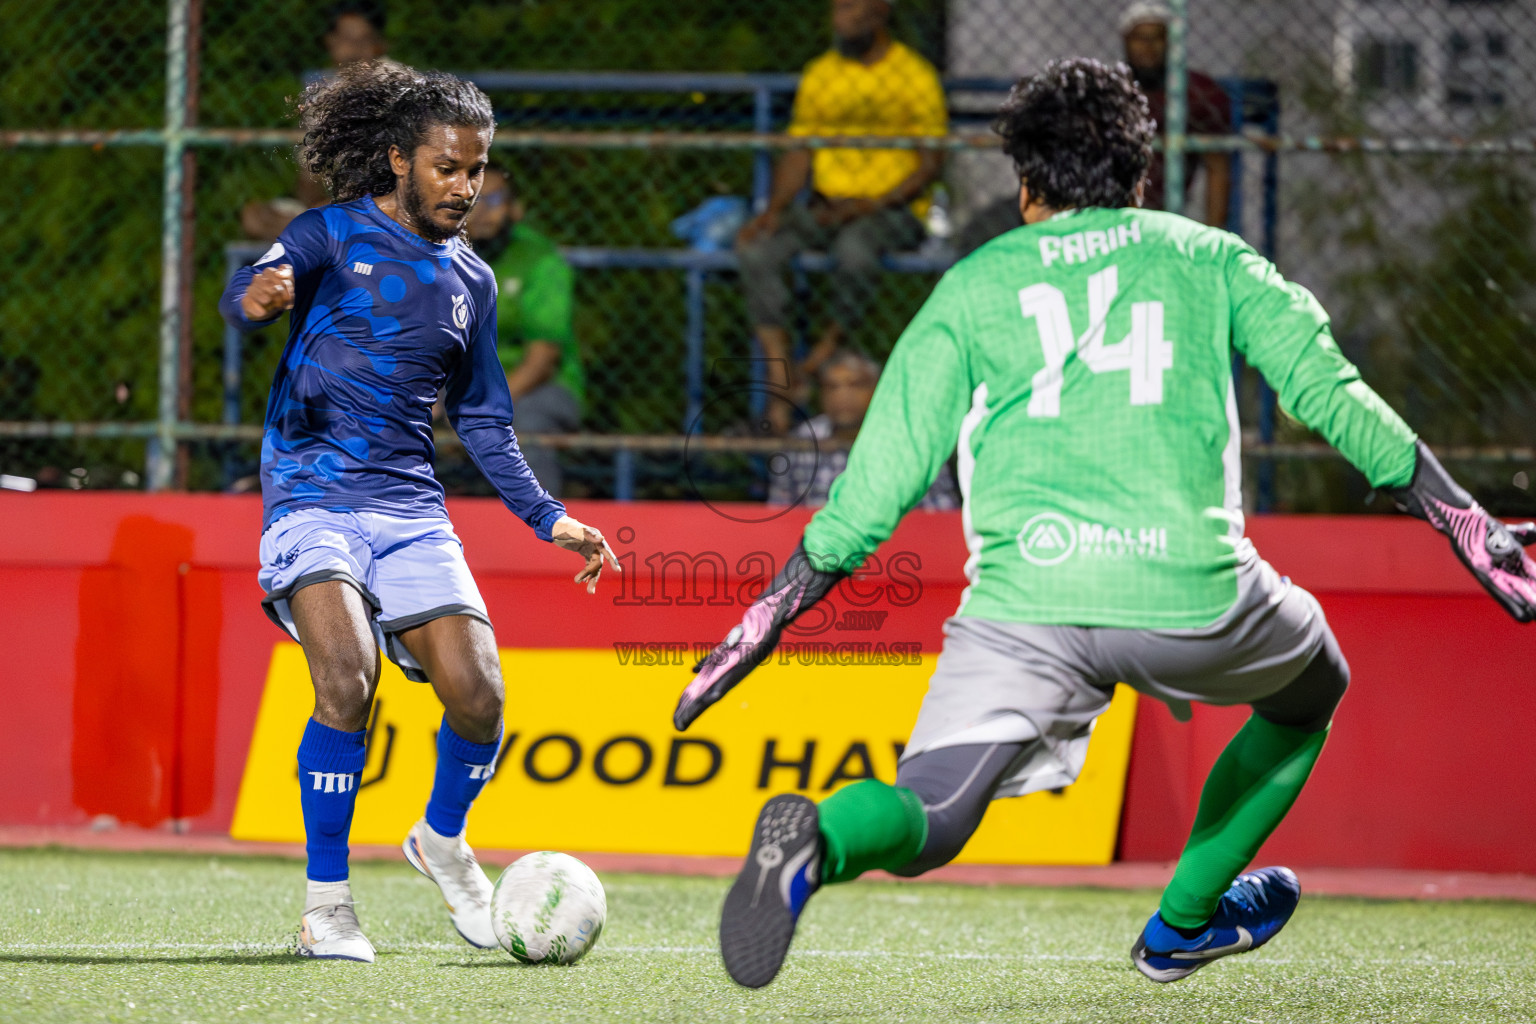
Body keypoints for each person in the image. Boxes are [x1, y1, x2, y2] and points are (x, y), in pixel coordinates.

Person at [673, 58, 1536, 989]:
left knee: (935, 813)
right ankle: (1184, 925)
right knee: (1311, 690)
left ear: (1026, 186)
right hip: (1191, 596)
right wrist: (1464, 520)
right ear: (1141, 174)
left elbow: (875, 486)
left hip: (1026, 605)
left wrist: (769, 614)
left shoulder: (971, 286)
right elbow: (1330, 393)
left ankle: (820, 840)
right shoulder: (1210, 257)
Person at [218, 60, 619, 964]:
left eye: (477, 169)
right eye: (448, 167)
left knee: (480, 697)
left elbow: (482, 419)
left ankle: (440, 840)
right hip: (313, 492)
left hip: (408, 507)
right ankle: (327, 906)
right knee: (346, 679)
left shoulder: (472, 280)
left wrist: (549, 517)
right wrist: (256, 295)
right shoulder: (330, 233)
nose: (465, 187)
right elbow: (259, 279)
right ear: (400, 160)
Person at [737, 0, 947, 433]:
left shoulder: (914, 74)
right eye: (836, 9)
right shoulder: (822, 73)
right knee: (757, 248)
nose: (839, 18)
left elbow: (930, 163)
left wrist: (869, 205)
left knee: (856, 250)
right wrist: (772, 211)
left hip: (891, 209)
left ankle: (818, 358)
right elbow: (800, 151)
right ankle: (781, 375)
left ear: (879, 11)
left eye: (850, 8)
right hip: (828, 206)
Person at [465, 164, 583, 496]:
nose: (482, 211)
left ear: (515, 209)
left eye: (494, 200)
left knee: (521, 426)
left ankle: (542, 522)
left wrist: (486, 406)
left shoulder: (541, 261)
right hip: (462, 385)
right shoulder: (440, 253)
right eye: (473, 200)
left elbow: (542, 358)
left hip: (535, 389)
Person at [240, 2, 390, 242]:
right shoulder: (321, 93)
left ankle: (321, 233)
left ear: (379, 44)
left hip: (381, 200)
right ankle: (322, 232)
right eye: (347, 39)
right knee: (255, 217)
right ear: (330, 41)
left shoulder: (398, 86)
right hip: (330, 203)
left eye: (363, 40)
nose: (354, 49)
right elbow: (309, 174)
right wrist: (313, 205)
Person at [768, 348, 957, 510]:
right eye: (832, 387)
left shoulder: (910, 440)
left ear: (877, 389)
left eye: (855, 385)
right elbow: (779, 509)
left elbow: (940, 512)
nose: (843, 395)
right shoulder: (803, 439)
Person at [1120, 0, 1232, 225]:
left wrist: (1213, 233)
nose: (1148, 47)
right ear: (1126, 41)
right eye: (1139, 38)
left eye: (1157, 38)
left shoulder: (1198, 93)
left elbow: (1217, 167)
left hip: (1169, 212)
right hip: (1113, 210)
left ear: (1171, 42)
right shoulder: (1112, 91)